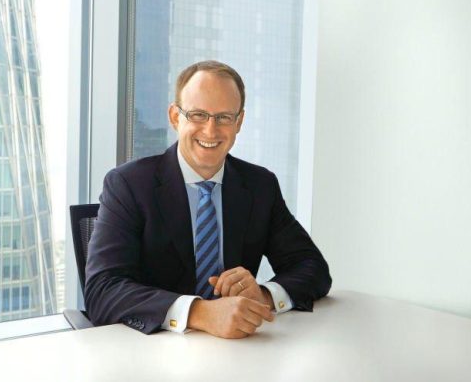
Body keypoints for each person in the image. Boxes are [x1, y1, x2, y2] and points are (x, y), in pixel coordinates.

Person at [85, 60, 331, 338]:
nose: (211, 131)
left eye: (224, 117)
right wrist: (200, 312)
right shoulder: (129, 185)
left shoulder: (260, 185)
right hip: (153, 349)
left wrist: (262, 296)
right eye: (198, 115)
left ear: (239, 122)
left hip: (240, 348)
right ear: (175, 117)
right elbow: (102, 290)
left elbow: (312, 267)